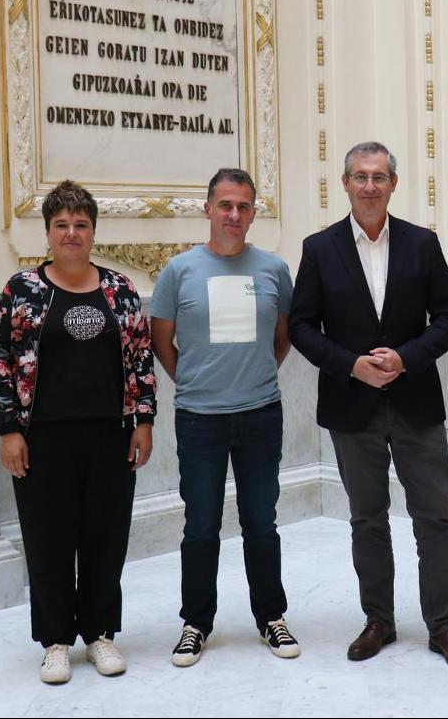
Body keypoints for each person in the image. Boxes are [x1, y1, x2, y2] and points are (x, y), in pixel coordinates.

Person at [288, 141, 448, 669]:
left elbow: (447, 317)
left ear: (394, 184)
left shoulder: (422, 244)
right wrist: (352, 364)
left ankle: (445, 626)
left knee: (434, 518)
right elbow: (302, 326)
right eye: (360, 176)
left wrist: (405, 358)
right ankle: (379, 621)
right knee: (367, 519)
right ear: (344, 183)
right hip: (352, 407)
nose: (369, 186)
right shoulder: (319, 248)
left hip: (415, 401)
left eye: (379, 177)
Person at [0, 180, 156, 684]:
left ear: (94, 231)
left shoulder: (120, 292)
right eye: (61, 224)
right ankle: (56, 640)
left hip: (110, 435)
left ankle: (101, 633)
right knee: (49, 541)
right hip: (43, 440)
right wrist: (9, 429)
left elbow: (141, 358)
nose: (72, 233)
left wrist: (143, 420)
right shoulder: (23, 291)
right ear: (47, 232)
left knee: (105, 537)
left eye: (81, 224)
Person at [151, 168, 299, 666]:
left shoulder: (274, 269)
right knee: (200, 526)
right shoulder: (179, 271)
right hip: (200, 420)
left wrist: (253, 377)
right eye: (225, 205)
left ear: (253, 212)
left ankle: (271, 617)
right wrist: (198, 382)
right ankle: (196, 622)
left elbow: (282, 337)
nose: (234, 215)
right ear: (208, 209)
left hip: (260, 416)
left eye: (244, 206)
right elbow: (162, 343)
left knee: (262, 522)